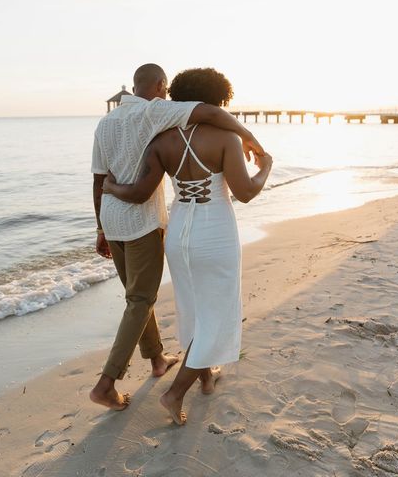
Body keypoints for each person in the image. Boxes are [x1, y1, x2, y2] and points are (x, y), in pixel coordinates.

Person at [103, 67, 273, 424]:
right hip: (214, 231)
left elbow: (138, 192)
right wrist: (265, 168)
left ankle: (206, 377)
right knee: (220, 313)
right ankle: (175, 392)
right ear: (220, 98)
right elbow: (244, 193)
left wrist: (111, 189)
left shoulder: (162, 139)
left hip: (179, 232)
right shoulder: (225, 138)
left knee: (192, 306)